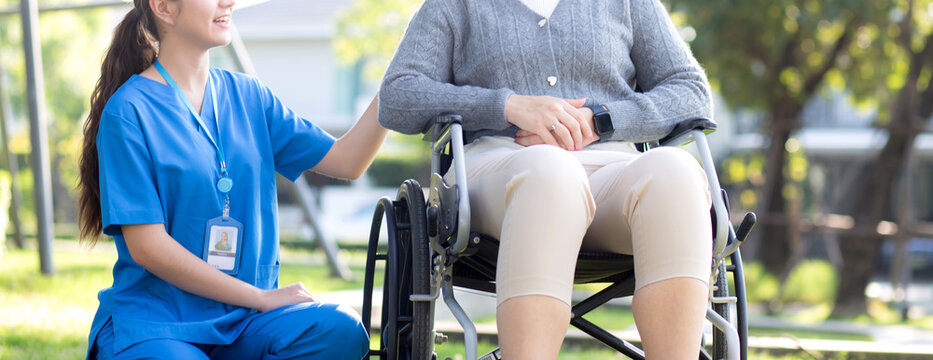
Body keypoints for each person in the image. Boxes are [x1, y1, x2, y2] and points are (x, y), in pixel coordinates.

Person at [379, 0, 713, 359]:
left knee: (674, 172)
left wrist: (599, 119)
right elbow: (399, 96)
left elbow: (690, 91)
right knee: (550, 172)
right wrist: (507, 106)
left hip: (611, 168)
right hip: (499, 165)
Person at [77, 0, 386, 358]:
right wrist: (262, 297)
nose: (229, 2)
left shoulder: (250, 96)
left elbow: (348, 161)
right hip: (158, 325)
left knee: (341, 331)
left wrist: (399, 81)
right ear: (164, 7)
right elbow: (149, 248)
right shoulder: (128, 111)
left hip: (245, 323)